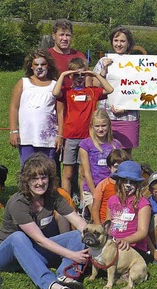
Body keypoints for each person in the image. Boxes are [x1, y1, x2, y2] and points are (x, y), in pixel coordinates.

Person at [0, 154, 89, 289]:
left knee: (76, 235)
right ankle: (50, 284)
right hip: (7, 255)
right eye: (34, 179)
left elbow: (78, 220)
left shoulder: (52, 195)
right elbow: (41, 240)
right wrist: (72, 254)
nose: (40, 183)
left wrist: (97, 239)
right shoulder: (18, 203)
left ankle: (66, 275)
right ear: (26, 181)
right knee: (18, 237)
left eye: (43, 177)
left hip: (34, 250)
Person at [52, 58, 114, 197]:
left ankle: (83, 200)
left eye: (82, 75)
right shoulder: (67, 91)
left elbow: (110, 89)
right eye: (76, 75)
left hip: (87, 139)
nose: (79, 78)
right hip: (70, 138)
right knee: (67, 173)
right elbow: (55, 93)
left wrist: (95, 75)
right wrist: (63, 75)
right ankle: (67, 202)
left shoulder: (91, 92)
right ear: (70, 76)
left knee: (83, 172)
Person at [93, 26, 140, 156]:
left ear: (128, 43)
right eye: (116, 40)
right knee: (105, 151)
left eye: (122, 41)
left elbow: (141, 90)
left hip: (128, 116)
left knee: (125, 154)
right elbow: (94, 85)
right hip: (106, 115)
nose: (118, 44)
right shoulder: (103, 61)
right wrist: (103, 71)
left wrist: (125, 108)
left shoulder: (136, 63)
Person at [8, 49, 59, 165]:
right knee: (27, 170)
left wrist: (60, 135)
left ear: (48, 66)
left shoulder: (54, 85)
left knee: (47, 170)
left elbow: (60, 111)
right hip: (27, 137)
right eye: (36, 64)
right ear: (31, 66)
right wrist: (13, 131)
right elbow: (14, 107)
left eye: (43, 64)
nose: (39, 67)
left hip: (48, 139)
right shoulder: (23, 83)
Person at [106, 160, 152, 262]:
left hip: (133, 246)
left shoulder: (143, 203)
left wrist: (126, 240)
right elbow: (108, 225)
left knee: (117, 259)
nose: (128, 185)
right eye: (124, 181)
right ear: (118, 181)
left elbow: (143, 232)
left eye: (132, 182)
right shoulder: (112, 200)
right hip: (113, 243)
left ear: (138, 184)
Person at [78, 109, 122, 216]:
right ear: (92, 126)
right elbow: (86, 173)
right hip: (92, 188)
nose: (100, 129)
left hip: (111, 189)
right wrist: (95, 193)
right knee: (98, 216)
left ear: (109, 125)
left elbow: (120, 171)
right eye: (97, 126)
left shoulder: (116, 145)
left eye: (104, 126)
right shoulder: (85, 145)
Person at [91, 149, 129, 225]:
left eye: (121, 167)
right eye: (116, 166)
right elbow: (95, 209)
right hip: (104, 223)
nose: (118, 170)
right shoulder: (103, 185)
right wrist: (99, 226)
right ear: (109, 167)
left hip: (123, 221)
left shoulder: (129, 185)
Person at [47, 19, 87, 87]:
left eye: (68, 35)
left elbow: (87, 80)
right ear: (54, 36)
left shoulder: (80, 56)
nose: (65, 39)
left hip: (77, 95)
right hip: (55, 96)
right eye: (61, 35)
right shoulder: (47, 56)